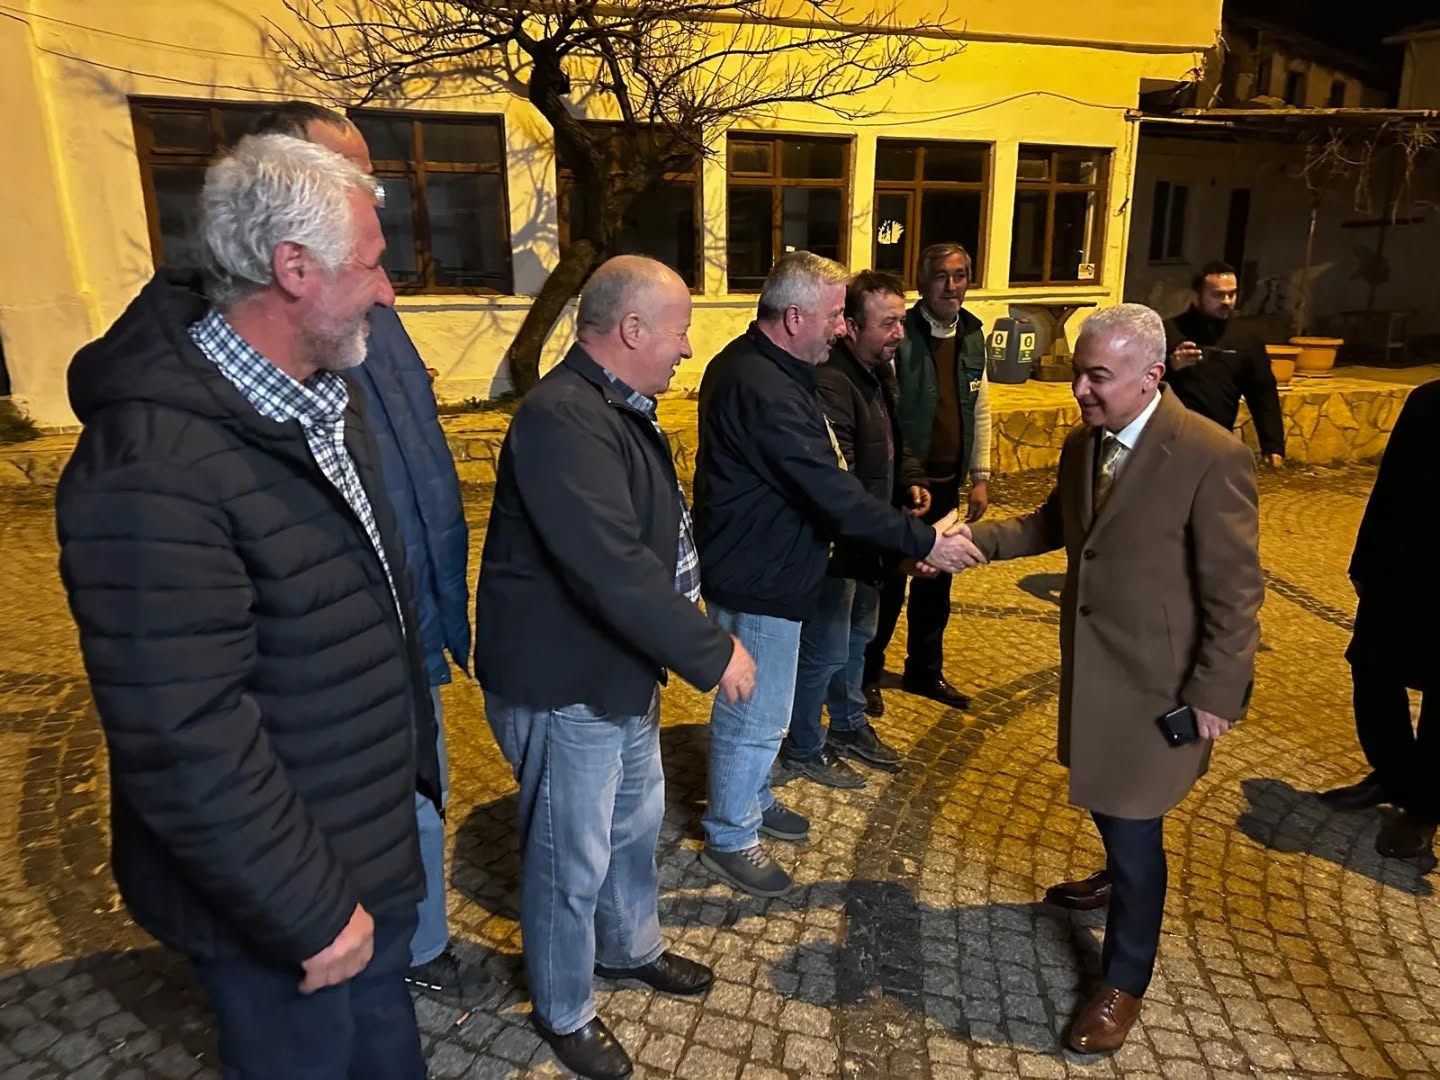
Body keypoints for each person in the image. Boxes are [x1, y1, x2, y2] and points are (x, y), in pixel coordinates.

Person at [56, 134, 436, 1078]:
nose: (389, 292)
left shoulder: (323, 400)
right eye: (372, 264)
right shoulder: (153, 462)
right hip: (286, 905)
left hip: (365, 855)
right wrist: (312, 910)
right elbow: (183, 729)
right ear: (293, 268)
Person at [475, 256, 756, 1080]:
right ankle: (563, 1007)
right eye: (679, 331)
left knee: (632, 830)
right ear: (632, 329)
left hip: (619, 672)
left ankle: (629, 948)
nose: (686, 348)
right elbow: (610, 565)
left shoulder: (614, 407)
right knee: (568, 858)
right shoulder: (562, 416)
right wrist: (712, 649)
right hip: (566, 685)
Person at [967, 303, 1263, 1054]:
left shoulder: (1211, 455)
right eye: (1078, 373)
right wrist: (974, 543)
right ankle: (1112, 877)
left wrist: (1215, 691)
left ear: (1151, 376)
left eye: (1096, 376)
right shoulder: (1084, 443)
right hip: (1097, 671)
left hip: (1160, 685)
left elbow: (1235, 591)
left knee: (1137, 836)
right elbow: (1051, 525)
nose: (1079, 390)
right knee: (1113, 803)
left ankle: (1124, 979)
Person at [251, 100, 475, 1001]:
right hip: (347, 643)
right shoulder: (258, 343)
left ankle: (418, 943)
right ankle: (382, 949)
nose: (374, 199)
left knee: (423, 790)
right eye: (354, 180)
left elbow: (415, 462)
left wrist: (443, 601)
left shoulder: (367, 307)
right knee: (368, 805)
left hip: (411, 608)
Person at [693, 251, 985, 898]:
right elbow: (828, 486)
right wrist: (923, 542)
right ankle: (731, 835)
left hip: (770, 565)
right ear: (795, 317)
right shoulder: (763, 384)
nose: (842, 327)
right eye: (833, 315)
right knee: (755, 714)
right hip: (758, 574)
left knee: (763, 707)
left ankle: (752, 796)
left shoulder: (771, 366)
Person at [779, 270, 931, 789]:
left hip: (870, 540)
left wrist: (909, 480)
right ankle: (803, 743)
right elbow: (837, 478)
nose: (899, 334)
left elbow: (892, 443)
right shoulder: (832, 381)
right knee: (823, 649)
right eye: (888, 323)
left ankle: (846, 723)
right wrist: (893, 530)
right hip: (841, 545)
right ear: (851, 325)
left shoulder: (877, 373)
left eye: (902, 322)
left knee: (859, 639)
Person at [864, 242, 992, 715]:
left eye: (960, 275)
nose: (951, 286)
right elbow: (885, 409)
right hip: (905, 487)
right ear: (922, 281)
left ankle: (924, 669)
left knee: (937, 586)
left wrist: (980, 474)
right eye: (941, 276)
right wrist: (897, 478)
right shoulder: (903, 334)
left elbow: (979, 405)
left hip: (947, 483)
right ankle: (866, 672)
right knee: (889, 584)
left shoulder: (972, 335)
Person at [1321, 381, 1440, 859]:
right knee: (1371, 666)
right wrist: (1364, 562)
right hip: (1404, 565)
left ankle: (1425, 808)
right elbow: (1391, 486)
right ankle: (1395, 773)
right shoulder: (1428, 400)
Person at [1162, 260, 1285, 468]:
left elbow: (1262, 392)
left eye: (1232, 294)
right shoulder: (1169, 332)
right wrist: (1170, 366)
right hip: (1169, 443)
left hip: (1218, 443)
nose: (1227, 301)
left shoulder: (1246, 339)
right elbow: (1140, 383)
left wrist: (1272, 445)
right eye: (1218, 295)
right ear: (1197, 295)